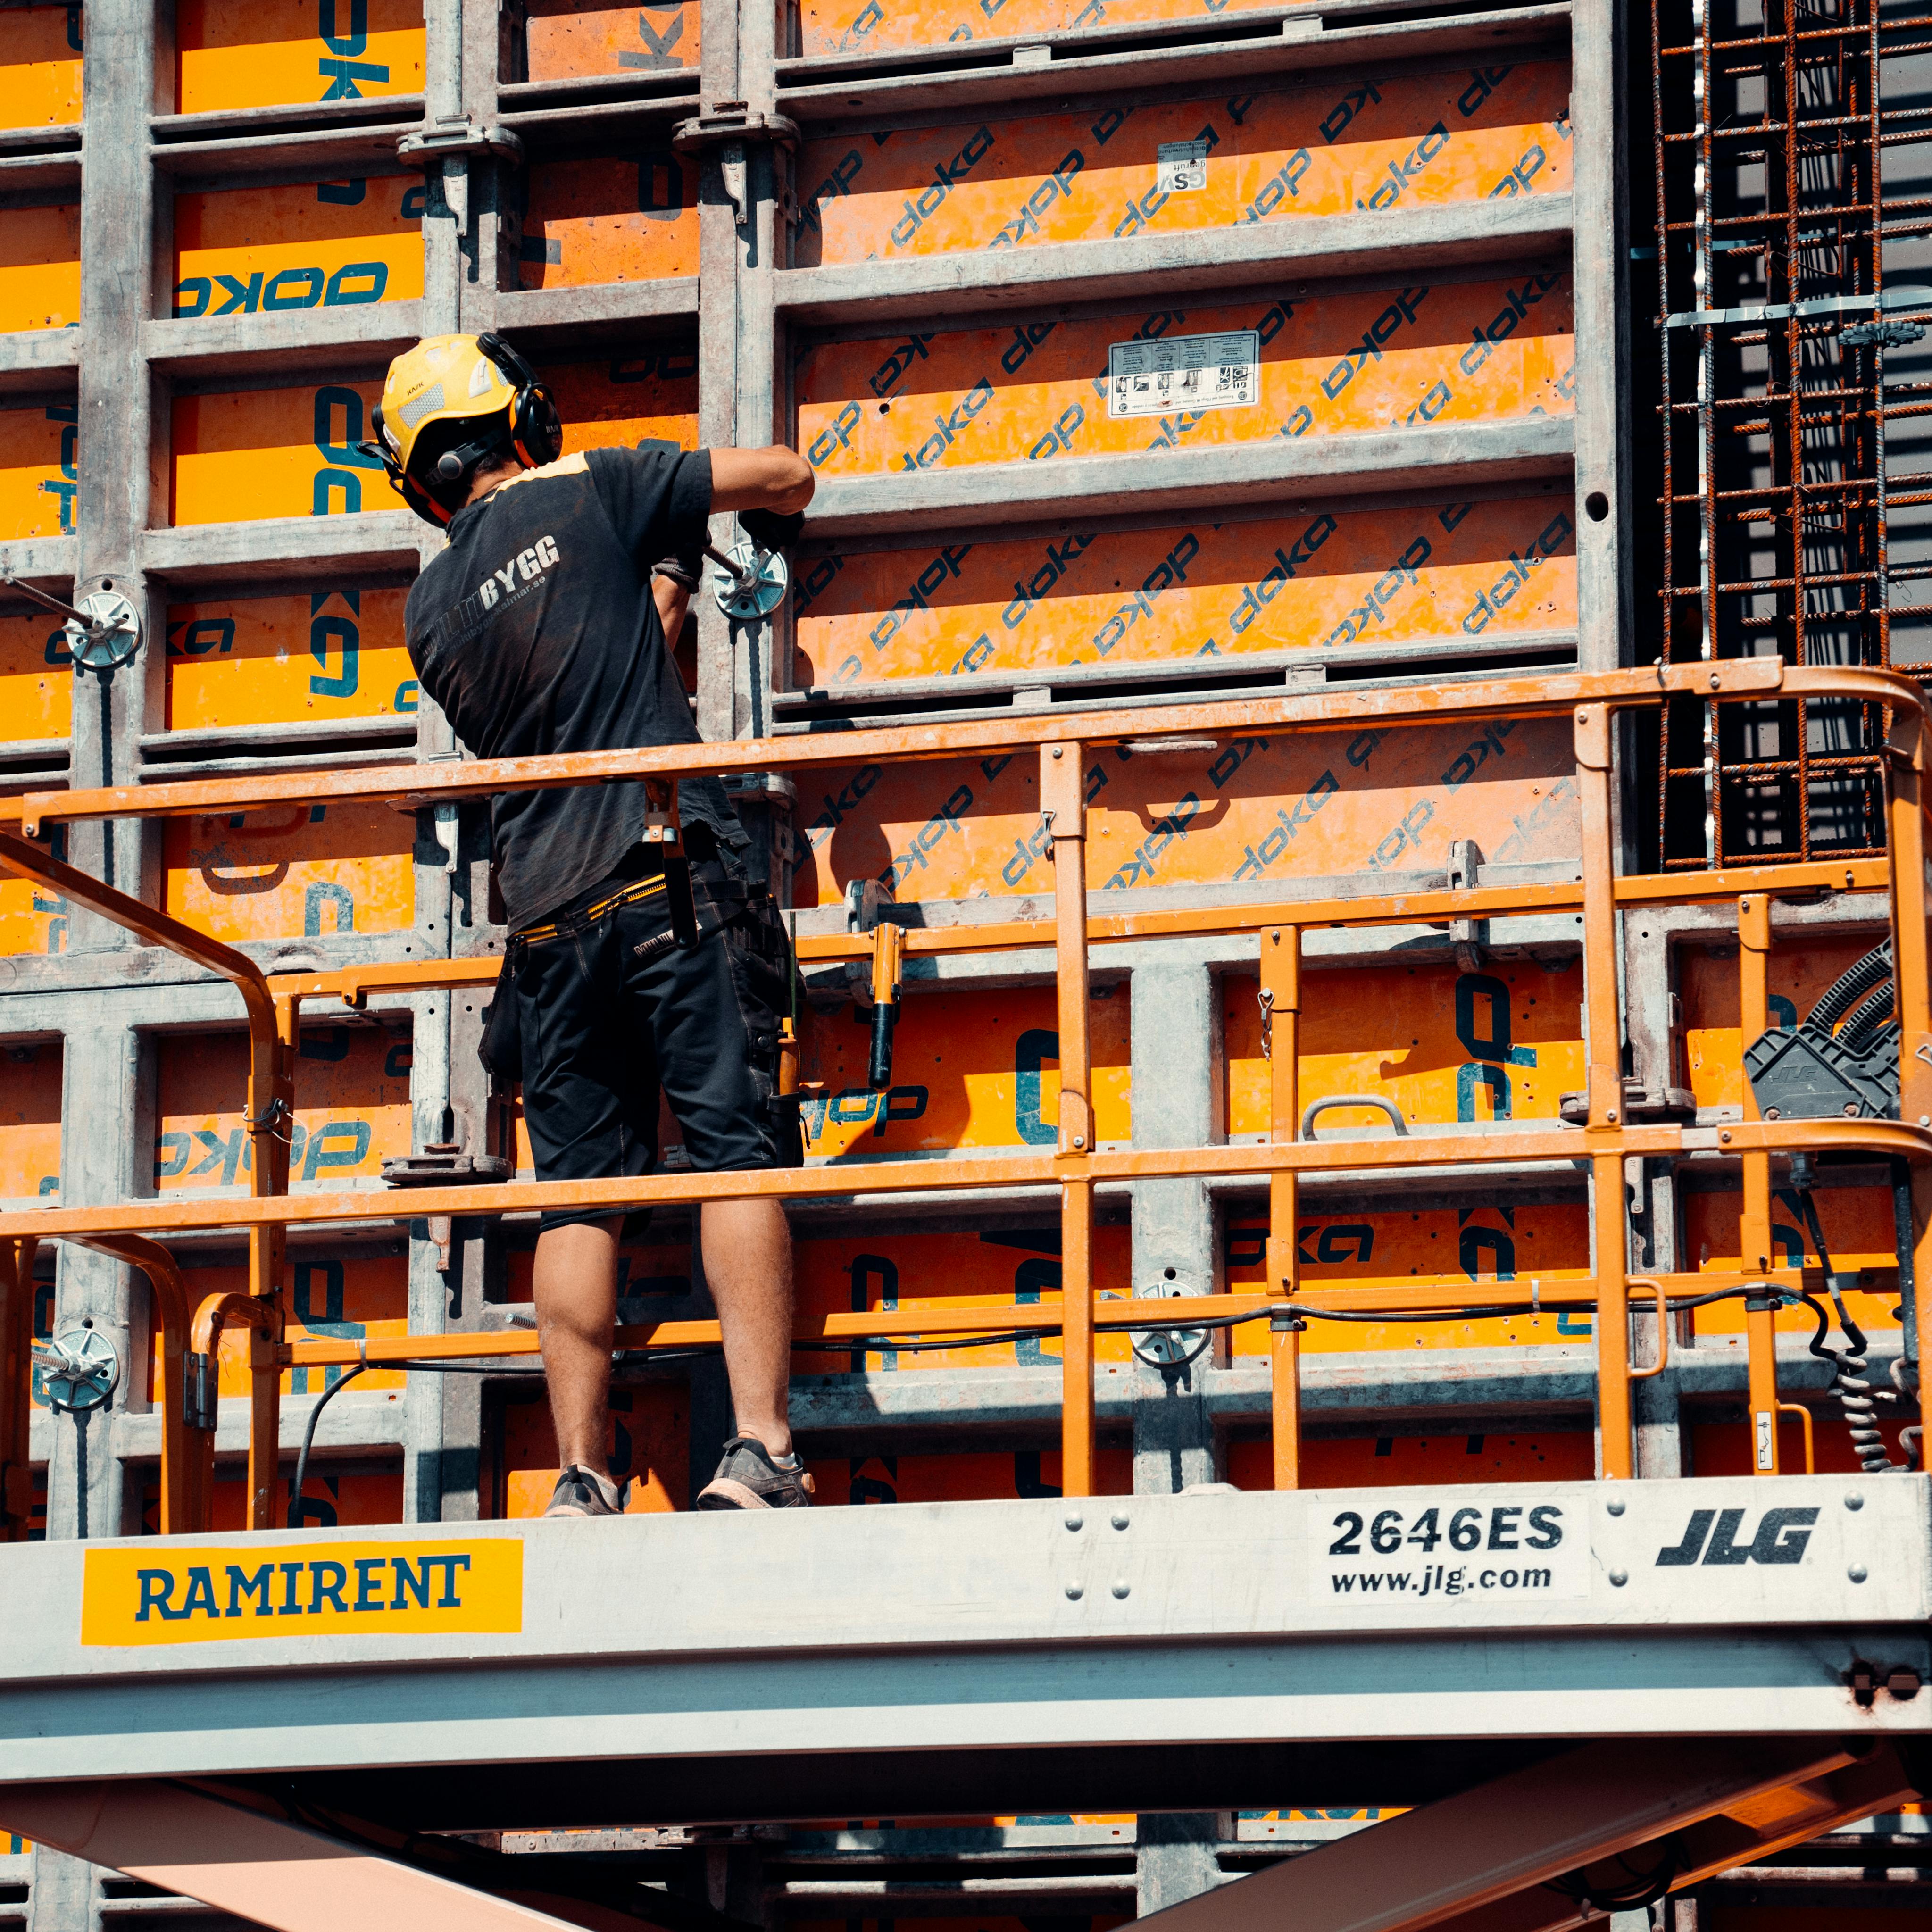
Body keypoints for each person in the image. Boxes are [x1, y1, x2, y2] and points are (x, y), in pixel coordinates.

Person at [369, 332, 816, 1516]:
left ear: (422, 477)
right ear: (521, 417)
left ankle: (580, 1475)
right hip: (665, 866)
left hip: (548, 913)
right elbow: (781, 474)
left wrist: (653, 582)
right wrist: (696, 525)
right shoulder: (594, 484)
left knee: (575, 1192)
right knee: (735, 1146)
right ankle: (759, 1445)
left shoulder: (428, 611)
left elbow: (580, 680)